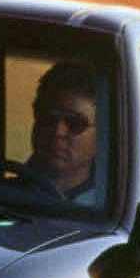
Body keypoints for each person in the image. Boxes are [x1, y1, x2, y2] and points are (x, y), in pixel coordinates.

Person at [24, 60, 100, 201]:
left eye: (75, 123)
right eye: (48, 118)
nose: (58, 132)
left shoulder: (113, 212)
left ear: (102, 134)